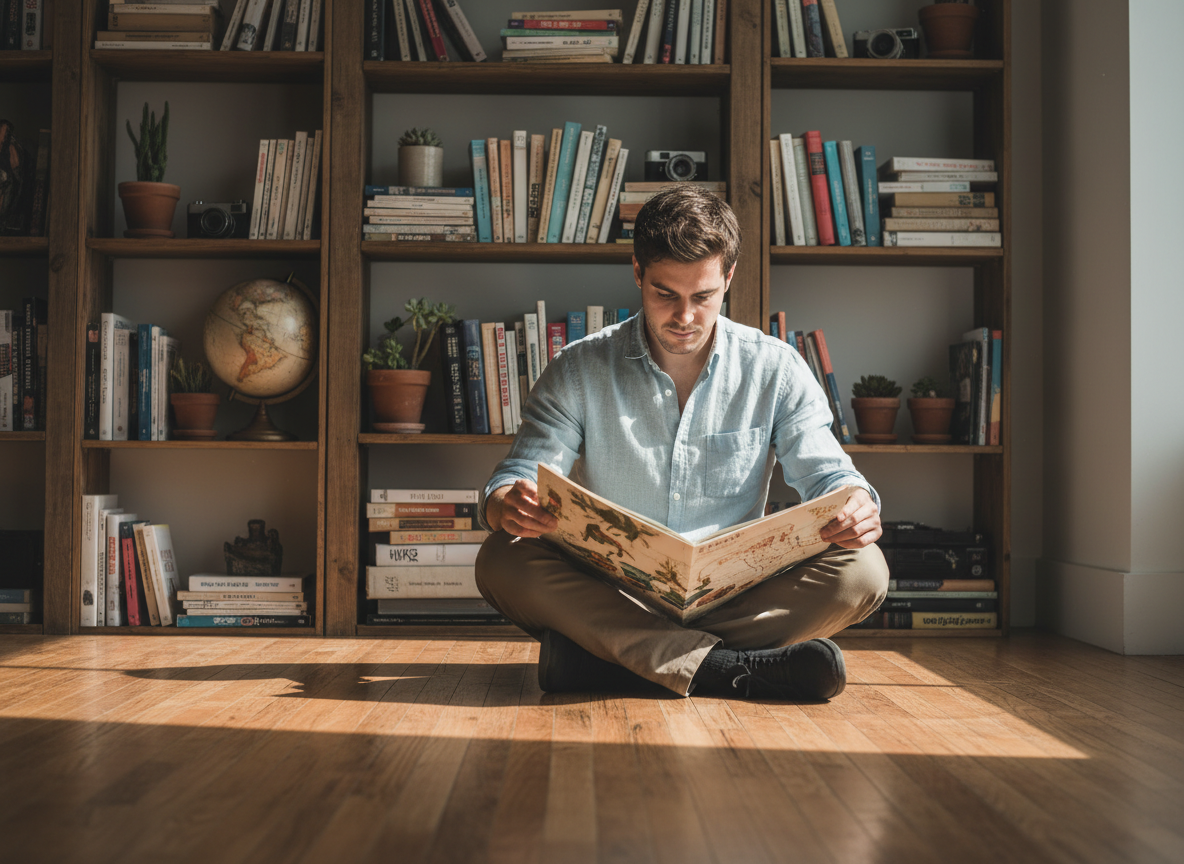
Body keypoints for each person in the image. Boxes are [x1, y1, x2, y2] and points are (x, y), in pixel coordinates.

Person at [476, 185, 888, 700]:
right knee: (501, 559)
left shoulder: (775, 368)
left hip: (736, 594)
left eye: (703, 296)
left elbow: (831, 476)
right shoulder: (578, 369)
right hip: (610, 594)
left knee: (863, 570)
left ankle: (612, 660)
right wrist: (507, 504)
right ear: (637, 273)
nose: (684, 317)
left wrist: (856, 504)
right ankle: (726, 668)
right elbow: (521, 472)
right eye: (664, 293)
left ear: (729, 278)